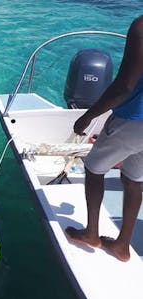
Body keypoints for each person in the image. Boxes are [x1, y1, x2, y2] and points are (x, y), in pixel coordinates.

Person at [65, 15, 143, 262]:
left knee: (94, 168)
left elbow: (124, 85)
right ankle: (122, 246)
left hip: (133, 120)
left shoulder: (141, 26)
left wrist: (88, 116)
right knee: (134, 179)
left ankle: (91, 233)